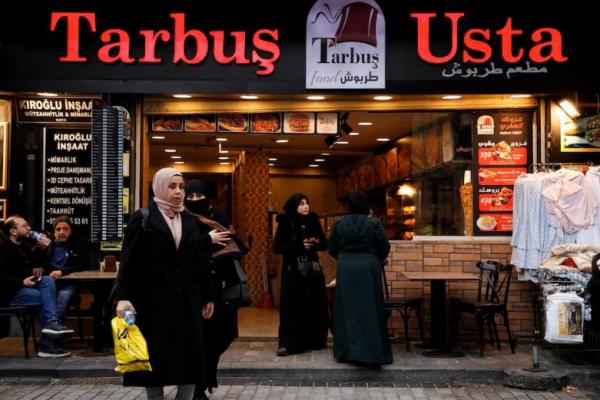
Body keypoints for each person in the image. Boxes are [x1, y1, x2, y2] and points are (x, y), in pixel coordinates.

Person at [115, 168, 215, 400]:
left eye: (181, 187)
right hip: (153, 303)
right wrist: (123, 296)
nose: (178, 192)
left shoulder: (189, 219)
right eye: (172, 187)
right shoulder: (143, 219)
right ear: (159, 187)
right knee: (156, 359)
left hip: (188, 301)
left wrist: (208, 294)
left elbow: (199, 260)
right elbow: (128, 261)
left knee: (191, 359)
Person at [184, 179, 243, 400]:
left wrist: (204, 243)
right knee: (199, 339)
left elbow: (226, 242)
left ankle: (207, 376)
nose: (196, 201)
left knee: (222, 335)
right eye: (191, 197)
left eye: (200, 196)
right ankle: (198, 387)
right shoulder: (182, 219)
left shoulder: (219, 218)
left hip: (220, 287)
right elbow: (182, 249)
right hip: (194, 287)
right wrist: (206, 240)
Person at [328, 191, 392, 366]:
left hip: (346, 268)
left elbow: (332, 248)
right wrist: (372, 257)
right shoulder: (374, 224)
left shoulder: (339, 224)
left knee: (346, 309)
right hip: (368, 268)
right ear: (366, 205)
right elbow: (384, 248)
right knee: (370, 308)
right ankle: (372, 353)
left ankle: (346, 352)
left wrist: (344, 257)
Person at [0, 215, 74, 358]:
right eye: (25, 226)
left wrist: (40, 249)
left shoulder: (23, 245)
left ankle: (52, 324)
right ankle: (47, 344)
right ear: (13, 231)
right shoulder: (2, 248)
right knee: (44, 297)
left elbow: (36, 267)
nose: (29, 228)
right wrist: (21, 282)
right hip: (8, 293)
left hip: (24, 288)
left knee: (47, 281)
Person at [273, 193, 329, 356]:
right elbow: (278, 247)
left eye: (307, 203)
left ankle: (314, 340)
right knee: (292, 306)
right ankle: (290, 344)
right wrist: (298, 245)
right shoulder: (285, 221)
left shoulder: (313, 220)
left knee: (315, 304)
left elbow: (324, 244)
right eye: (301, 204)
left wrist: (316, 242)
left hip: (312, 268)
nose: (306, 206)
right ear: (293, 206)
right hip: (293, 270)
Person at [44, 215, 95, 322]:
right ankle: (53, 330)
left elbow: (83, 265)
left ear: (71, 231)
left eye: (65, 229)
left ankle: (52, 328)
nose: (61, 232)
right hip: (49, 282)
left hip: (69, 282)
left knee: (64, 295)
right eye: (58, 229)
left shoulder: (77, 245)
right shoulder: (47, 246)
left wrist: (62, 271)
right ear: (54, 233)